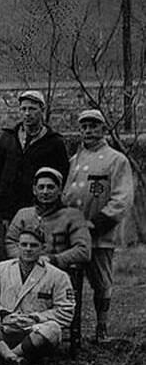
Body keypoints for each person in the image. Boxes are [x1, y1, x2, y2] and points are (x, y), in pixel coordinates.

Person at [63, 109, 136, 342]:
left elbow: (122, 198)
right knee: (69, 281)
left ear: (103, 128)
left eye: (94, 126)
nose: (89, 131)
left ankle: (101, 328)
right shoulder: (74, 160)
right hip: (73, 233)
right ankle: (70, 330)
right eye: (84, 127)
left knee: (101, 282)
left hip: (99, 233)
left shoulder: (116, 159)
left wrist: (97, 224)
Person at [0, 226, 75, 365]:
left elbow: (65, 311)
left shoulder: (58, 276)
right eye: (24, 245)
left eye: (34, 245)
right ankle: (10, 357)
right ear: (18, 246)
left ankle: (6, 356)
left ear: (43, 248)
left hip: (34, 332)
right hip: (3, 328)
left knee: (53, 329)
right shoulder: (0, 268)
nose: (28, 249)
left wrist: (35, 317)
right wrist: (4, 315)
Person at [0, 90, 70, 222]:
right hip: (7, 211)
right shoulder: (7, 138)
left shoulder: (54, 142)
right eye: (23, 109)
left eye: (32, 109)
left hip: (39, 210)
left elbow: (62, 177)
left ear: (42, 110)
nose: (27, 114)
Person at [6, 167, 91, 271]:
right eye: (41, 187)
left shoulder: (73, 216)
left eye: (50, 187)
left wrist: (53, 259)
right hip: (25, 269)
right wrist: (25, 259)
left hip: (59, 271)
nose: (45, 192)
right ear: (34, 190)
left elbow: (83, 250)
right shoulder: (23, 214)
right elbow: (10, 241)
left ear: (60, 190)